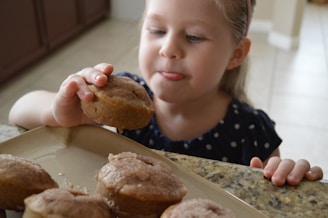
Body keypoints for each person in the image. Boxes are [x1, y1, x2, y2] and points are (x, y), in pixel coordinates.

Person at [9, 0, 323, 186]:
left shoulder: (253, 132)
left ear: (236, 54)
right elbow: (18, 111)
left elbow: (269, 196)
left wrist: (285, 178)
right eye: (157, 30)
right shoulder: (120, 103)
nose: (169, 48)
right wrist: (59, 111)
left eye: (194, 36)